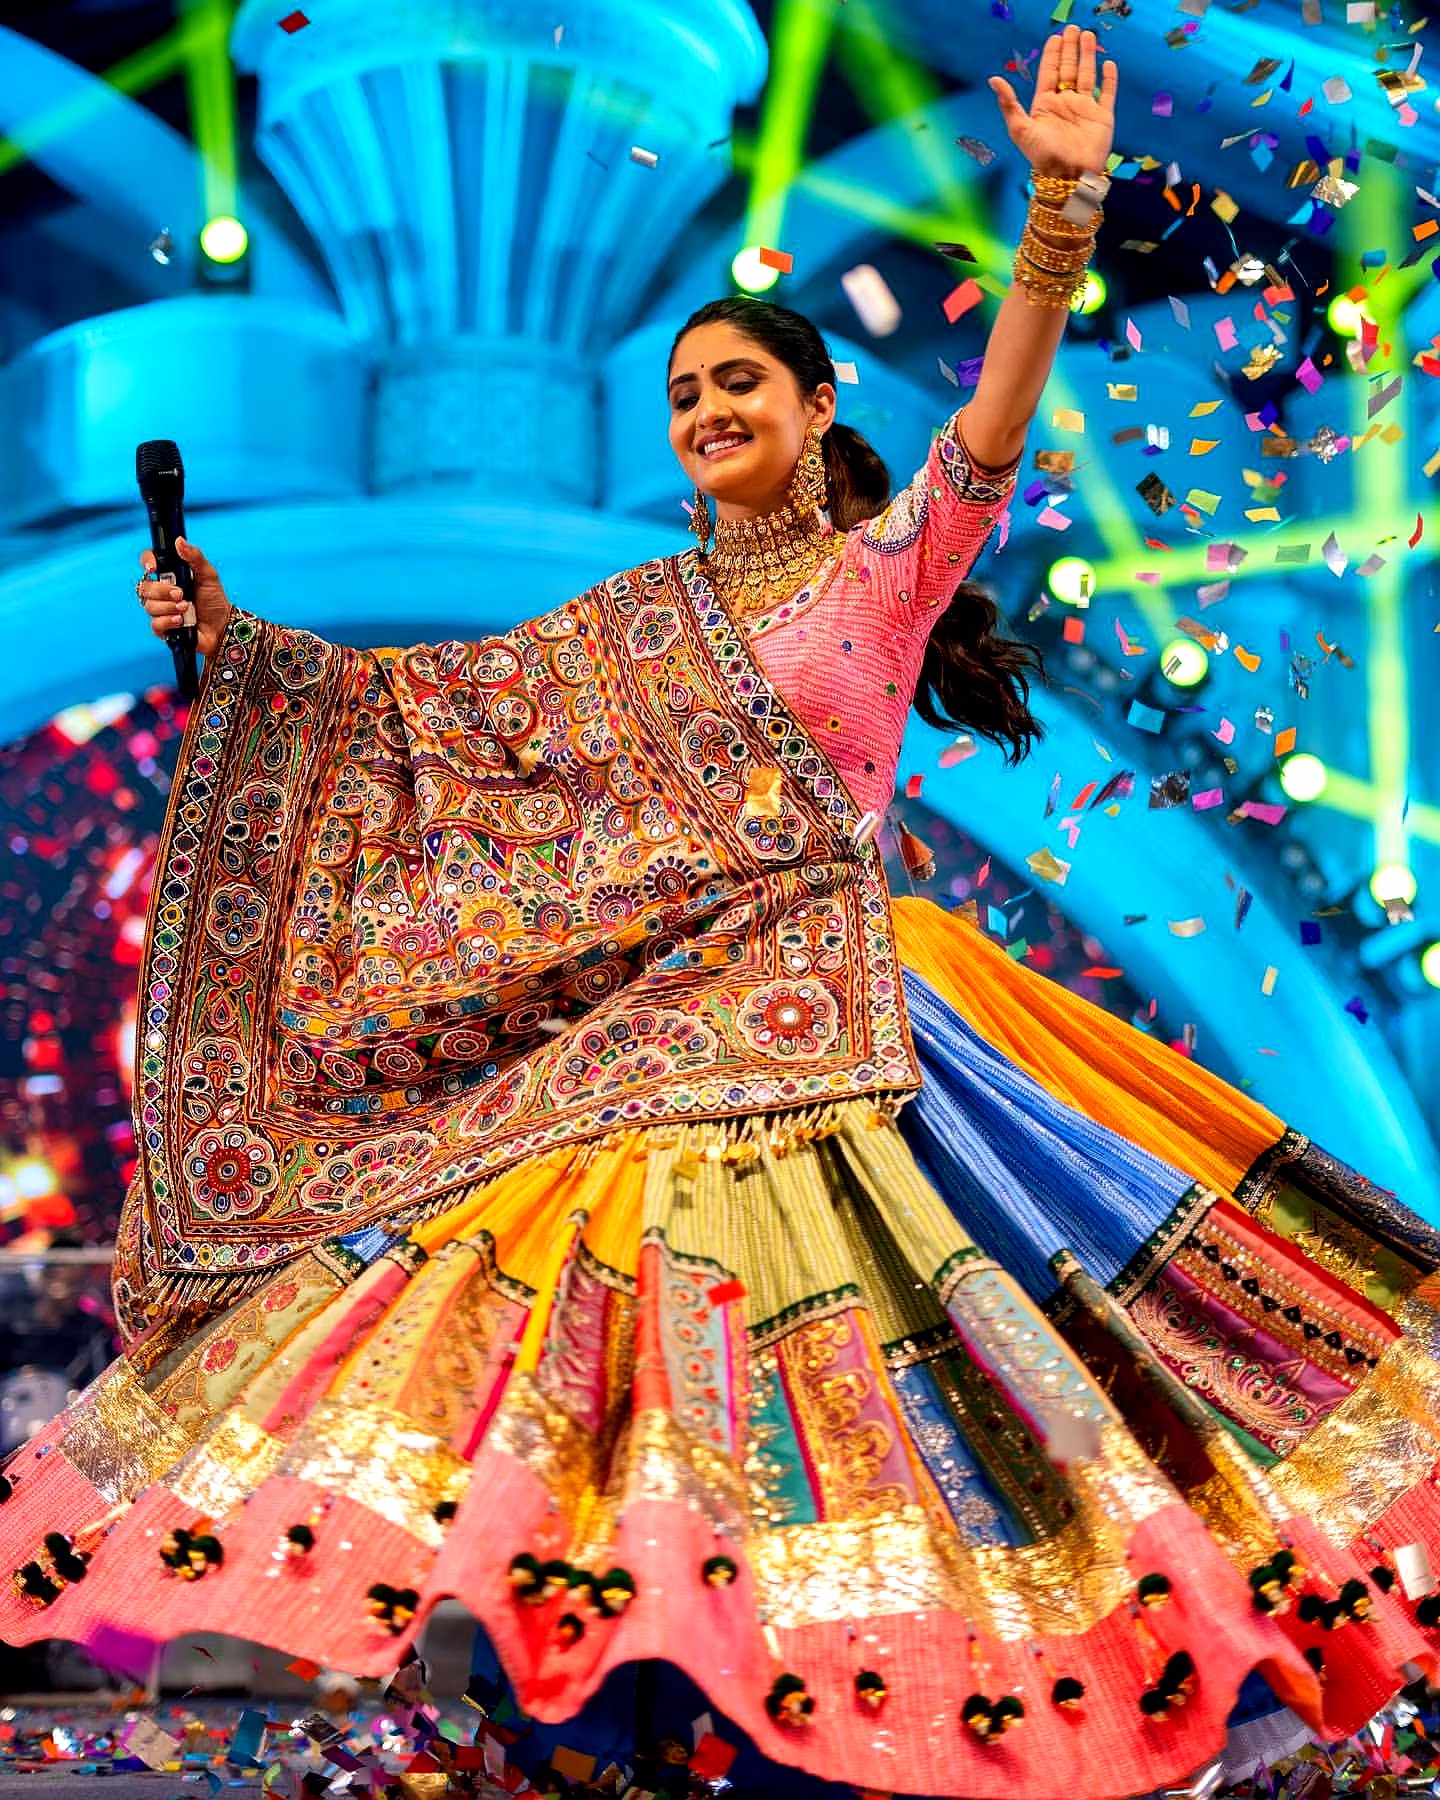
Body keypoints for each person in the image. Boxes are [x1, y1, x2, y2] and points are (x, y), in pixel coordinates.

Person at [2, 26, 1438, 1797]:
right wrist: (234, 644)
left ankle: (877, 1727)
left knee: (901, 1441)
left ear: (819, 407)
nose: (705, 415)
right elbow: (421, 722)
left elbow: (992, 429)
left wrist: (1059, 217)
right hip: (631, 1081)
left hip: (855, 1069)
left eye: (739, 383)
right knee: (617, 1453)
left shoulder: (885, 572)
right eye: (685, 397)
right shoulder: (628, 621)